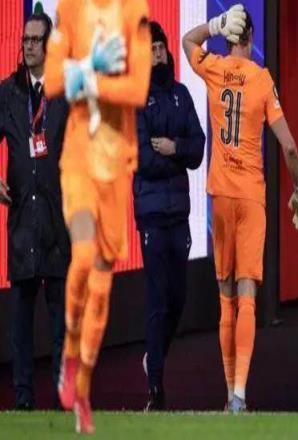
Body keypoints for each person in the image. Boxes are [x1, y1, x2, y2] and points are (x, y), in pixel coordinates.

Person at [183, 4, 298, 413]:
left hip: (220, 195)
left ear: (230, 36)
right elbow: (289, 147)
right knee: (248, 294)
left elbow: (187, 41)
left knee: (225, 299)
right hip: (251, 197)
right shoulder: (262, 78)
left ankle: (228, 396)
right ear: (252, 39)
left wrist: (212, 26)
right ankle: (239, 395)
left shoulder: (215, 67)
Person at [44, 0, 151, 433]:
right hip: (79, 160)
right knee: (83, 255)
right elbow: (52, 80)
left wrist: (87, 81)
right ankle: (69, 353)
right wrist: (90, 65)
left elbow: (138, 89)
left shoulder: (135, 12)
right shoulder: (69, 9)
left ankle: (84, 387)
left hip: (116, 165)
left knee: (103, 290)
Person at [0, 12, 69, 411]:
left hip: (58, 221)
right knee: (21, 323)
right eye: (24, 39)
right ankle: (23, 398)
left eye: (35, 40)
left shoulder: (65, 93)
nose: (27, 46)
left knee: (61, 324)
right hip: (23, 222)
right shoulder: (9, 93)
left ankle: (62, 398)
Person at [134, 21, 205, 411]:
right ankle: (156, 391)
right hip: (151, 213)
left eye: (160, 47)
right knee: (157, 297)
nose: (158, 53)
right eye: (151, 49)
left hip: (179, 212)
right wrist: (175, 156)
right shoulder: (136, 101)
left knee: (178, 298)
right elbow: (144, 160)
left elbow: (197, 148)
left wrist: (173, 147)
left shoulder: (180, 94)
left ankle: (154, 356)